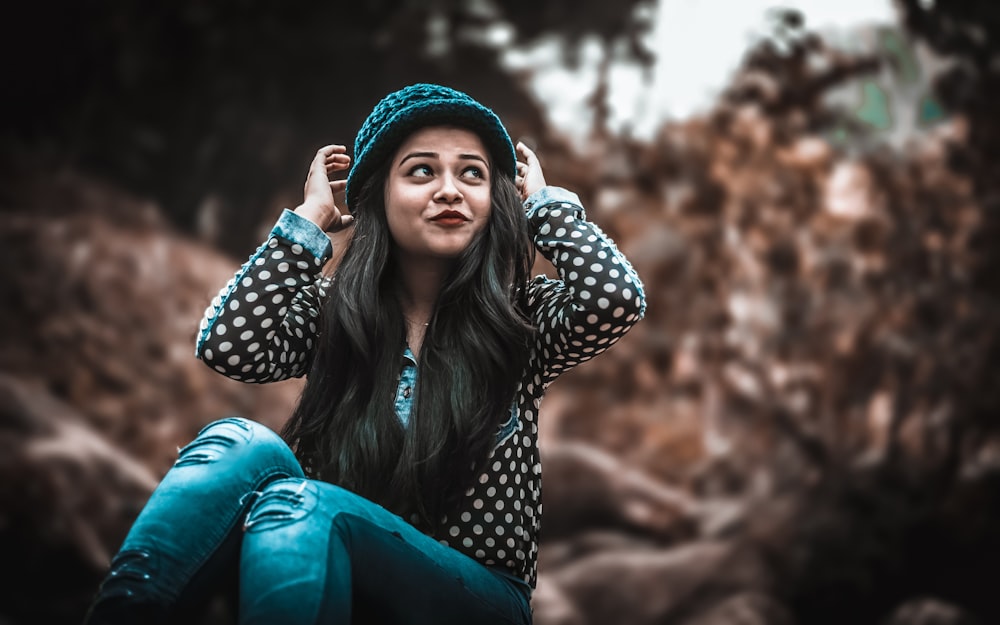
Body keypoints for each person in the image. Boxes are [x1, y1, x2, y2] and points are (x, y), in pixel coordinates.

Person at [84, 83, 645, 624]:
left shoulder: (521, 318)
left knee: (305, 506)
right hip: (331, 567)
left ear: (496, 200)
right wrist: (307, 224)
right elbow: (228, 345)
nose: (449, 189)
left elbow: (617, 299)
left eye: (472, 174)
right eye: (422, 170)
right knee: (241, 445)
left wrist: (547, 210)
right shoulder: (335, 315)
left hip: (475, 599)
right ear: (377, 193)